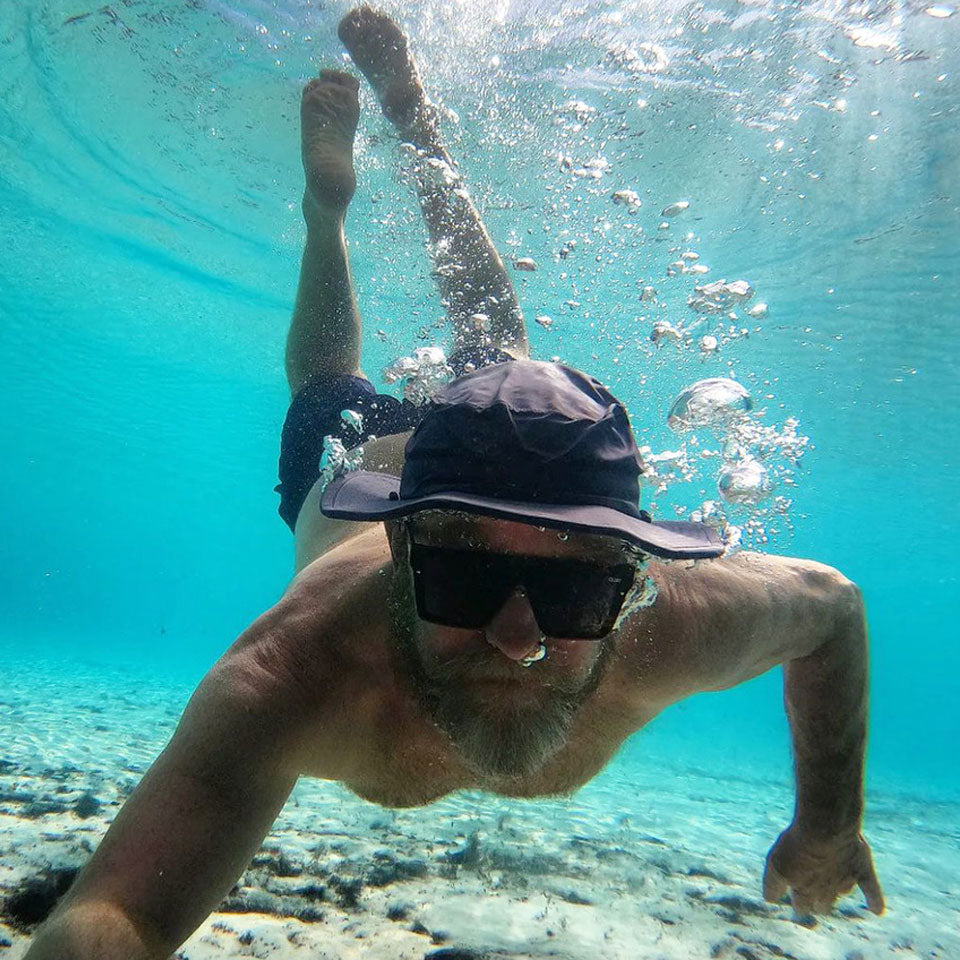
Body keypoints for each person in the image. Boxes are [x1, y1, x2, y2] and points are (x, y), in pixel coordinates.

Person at [24, 8, 884, 959]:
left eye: (572, 587)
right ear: (396, 547)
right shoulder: (293, 676)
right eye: (465, 577)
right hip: (349, 469)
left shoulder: (678, 616)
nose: (519, 640)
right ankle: (333, 209)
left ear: (635, 580)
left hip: (441, 477)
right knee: (347, 384)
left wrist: (829, 824)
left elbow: (831, 610)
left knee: (497, 366)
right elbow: (118, 917)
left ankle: (414, 130)